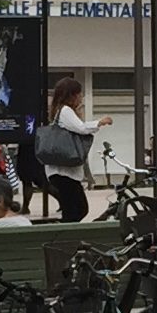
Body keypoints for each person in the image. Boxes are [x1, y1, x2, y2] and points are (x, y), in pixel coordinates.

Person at [41, 76, 97, 221]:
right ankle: (64, 239)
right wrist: (99, 123)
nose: (81, 97)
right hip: (63, 172)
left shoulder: (60, 111)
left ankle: (65, 235)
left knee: (75, 208)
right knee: (76, 209)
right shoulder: (65, 111)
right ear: (72, 95)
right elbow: (81, 128)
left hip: (63, 172)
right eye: (79, 94)